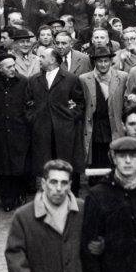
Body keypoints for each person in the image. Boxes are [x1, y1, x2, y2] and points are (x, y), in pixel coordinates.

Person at [81, 137, 136, 272]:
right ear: (114, 158)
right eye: (122, 156)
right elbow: (89, 253)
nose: (127, 161)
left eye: (132, 156)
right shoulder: (98, 195)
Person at [5, 159, 85, 272]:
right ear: (43, 183)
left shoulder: (82, 210)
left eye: (64, 183)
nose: (59, 188)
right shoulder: (23, 216)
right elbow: (15, 259)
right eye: (53, 182)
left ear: (70, 185)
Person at [24, 46, 86, 194]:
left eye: (42, 57)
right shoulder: (34, 79)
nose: (39, 59)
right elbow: (27, 103)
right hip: (42, 130)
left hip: (65, 132)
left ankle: (70, 193)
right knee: (46, 164)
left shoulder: (71, 79)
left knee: (66, 162)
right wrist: (33, 119)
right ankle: (49, 193)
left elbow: (80, 103)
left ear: (52, 60)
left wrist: (70, 118)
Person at [0, 53, 32, 212]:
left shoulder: (23, 82)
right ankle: (7, 198)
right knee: (2, 167)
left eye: (14, 65)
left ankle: (20, 193)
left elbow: (29, 105)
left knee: (19, 164)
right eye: (9, 67)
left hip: (19, 130)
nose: (13, 69)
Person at [79, 46, 129, 171]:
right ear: (94, 62)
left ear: (111, 61)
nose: (103, 64)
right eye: (99, 61)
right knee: (96, 164)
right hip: (94, 129)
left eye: (106, 61)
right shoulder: (84, 79)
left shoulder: (122, 77)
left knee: (115, 163)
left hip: (114, 128)